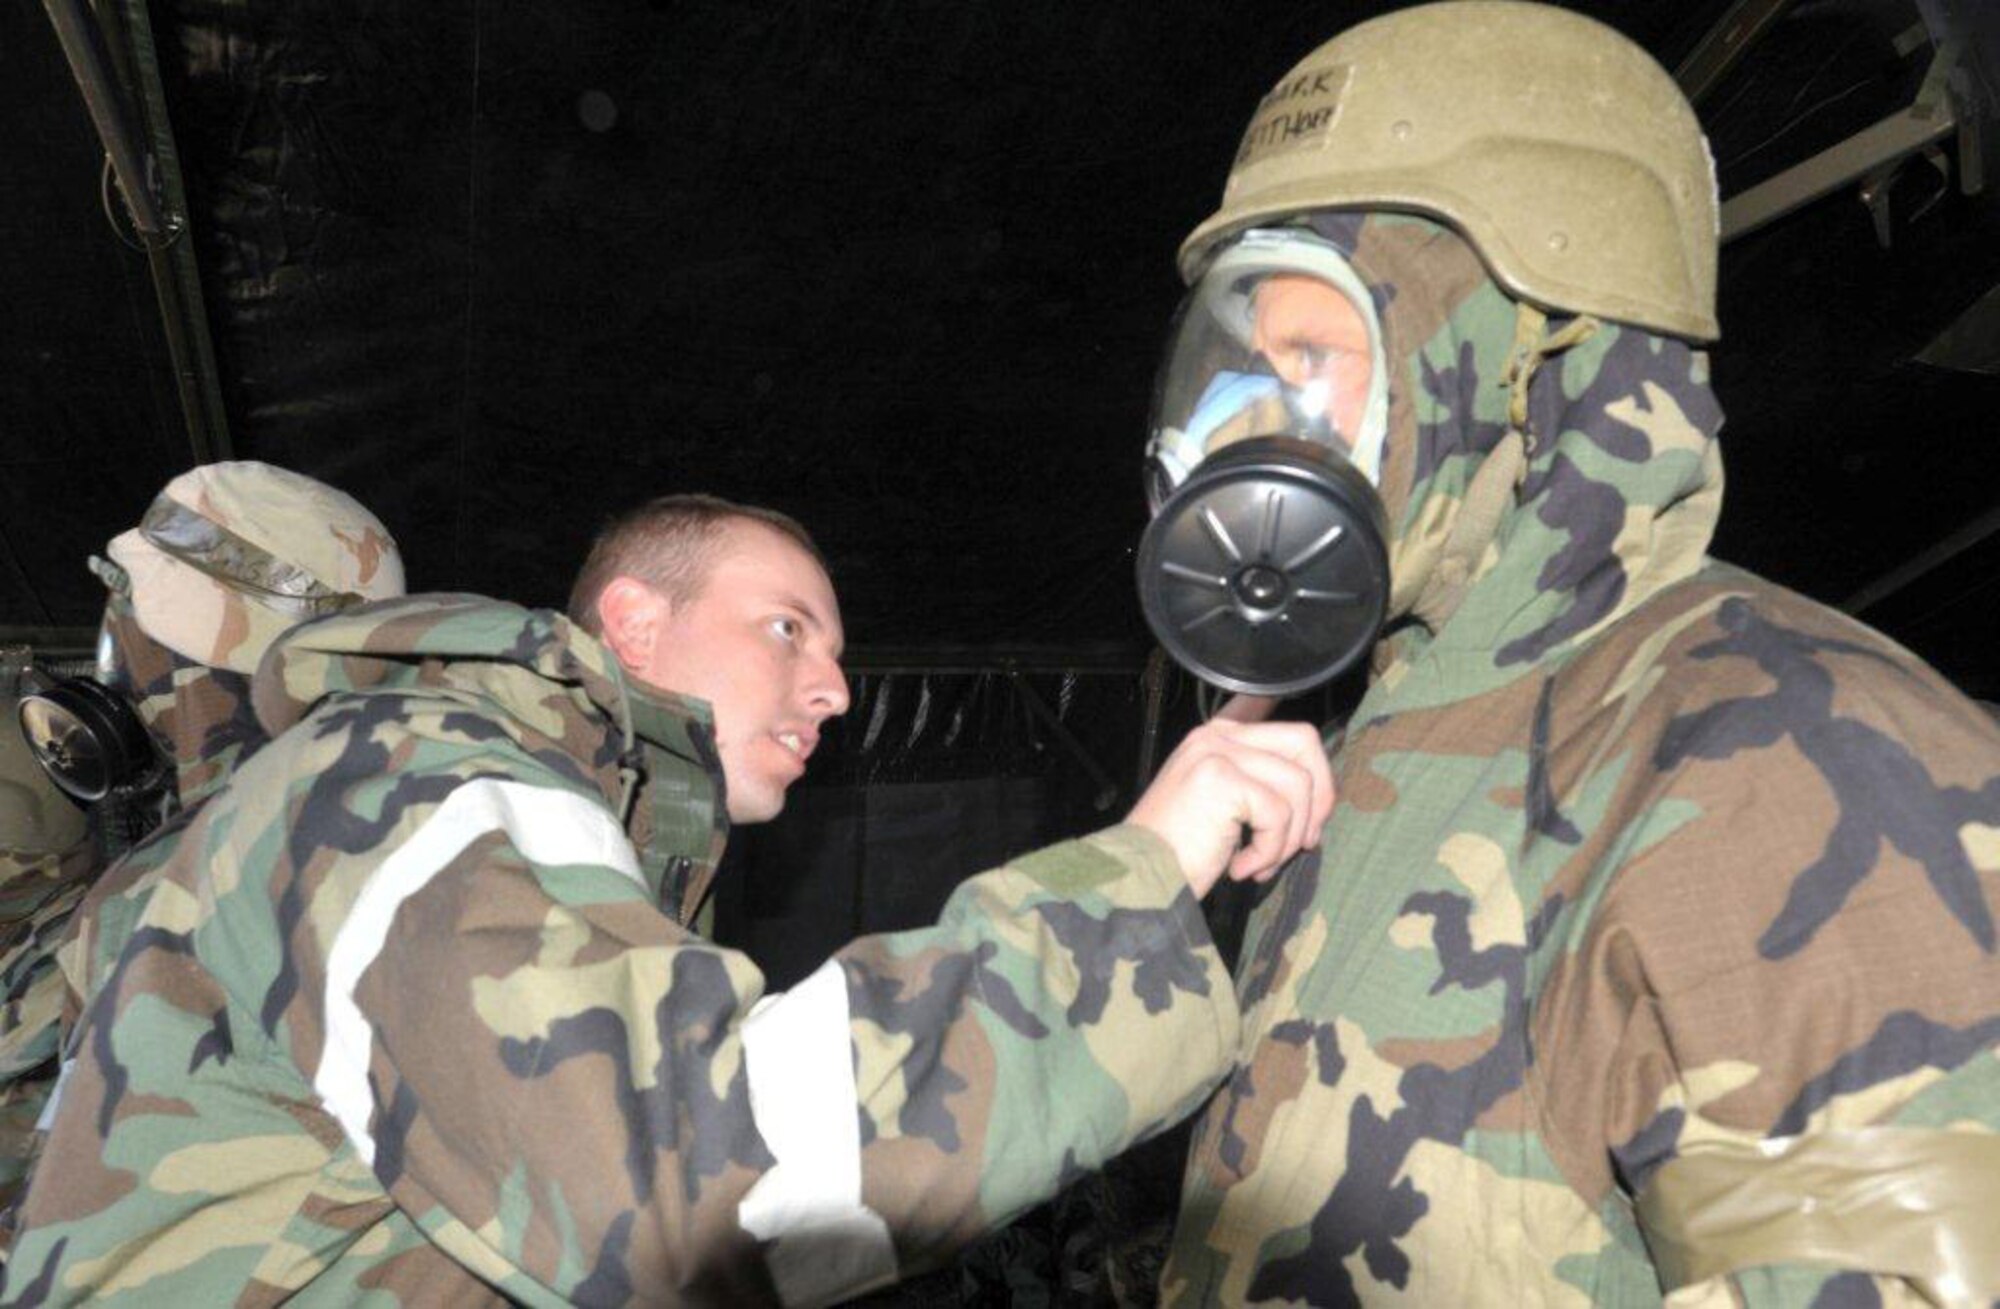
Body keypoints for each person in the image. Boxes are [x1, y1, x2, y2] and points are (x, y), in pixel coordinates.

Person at [1133, 3, 2000, 1304]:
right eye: (1247, 363)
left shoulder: (1804, 762)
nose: (1254, 419)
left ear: (1519, 356)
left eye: (1310, 354)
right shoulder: (1362, 758)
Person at [2, 492, 1331, 1306]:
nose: (837, 689)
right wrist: (1135, 881)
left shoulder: (526, 829)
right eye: (788, 628)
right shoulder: (415, 775)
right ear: (633, 625)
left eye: (838, 653)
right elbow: (682, 1183)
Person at [0, 461, 405, 1260]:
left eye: (127, 630)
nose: (113, 666)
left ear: (186, 655)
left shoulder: (189, 877)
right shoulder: (401, 819)